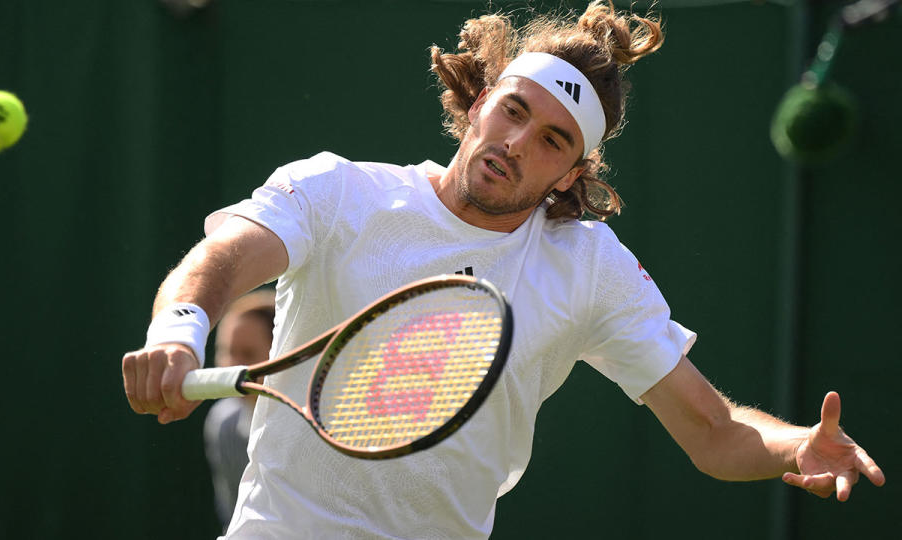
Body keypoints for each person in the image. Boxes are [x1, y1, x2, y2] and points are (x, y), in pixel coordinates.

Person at [121, 2, 885, 538]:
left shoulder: (588, 269)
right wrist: (179, 330)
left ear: (569, 175)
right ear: (481, 100)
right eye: (514, 111)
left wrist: (793, 446)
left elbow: (713, 431)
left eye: (552, 140)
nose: (519, 142)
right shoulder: (339, 189)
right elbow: (222, 257)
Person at [202, 290, 276, 531]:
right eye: (227, 352)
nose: (233, 367)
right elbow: (235, 518)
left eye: (247, 354)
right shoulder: (223, 423)